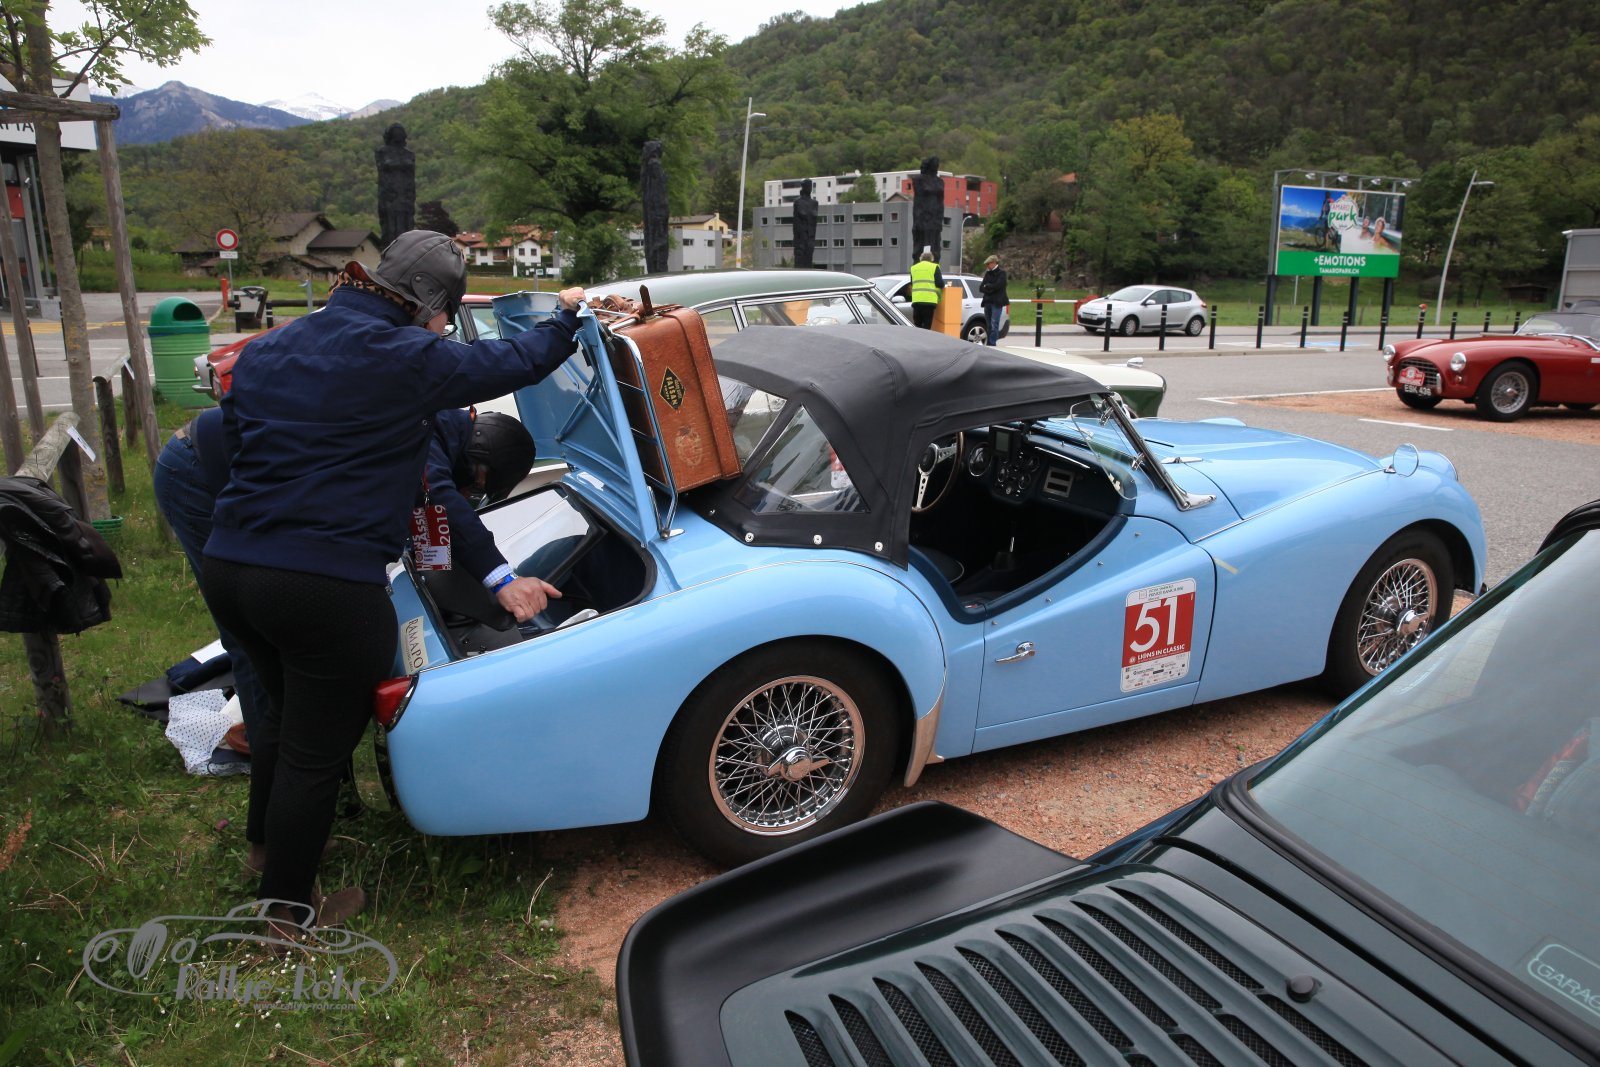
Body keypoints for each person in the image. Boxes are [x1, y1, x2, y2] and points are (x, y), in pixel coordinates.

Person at [201, 230, 586, 926]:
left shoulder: (272, 347)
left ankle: (267, 851)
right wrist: (567, 318)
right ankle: (286, 916)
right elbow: (509, 362)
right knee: (317, 750)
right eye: (446, 315)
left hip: (230, 567)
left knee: (282, 720)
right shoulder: (402, 353)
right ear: (429, 304)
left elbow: (237, 442)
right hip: (323, 583)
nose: (444, 329)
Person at [908, 251, 944, 330]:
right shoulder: (934, 267)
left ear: (920, 258)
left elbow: (912, 282)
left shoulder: (914, 268)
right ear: (932, 259)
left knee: (917, 326)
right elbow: (940, 283)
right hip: (929, 302)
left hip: (917, 301)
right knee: (927, 327)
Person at [979, 254, 1009, 346]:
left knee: (994, 323)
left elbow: (998, 286)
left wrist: (988, 286)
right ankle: (989, 342)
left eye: (988, 264)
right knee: (988, 324)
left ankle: (992, 343)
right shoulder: (988, 273)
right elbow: (981, 288)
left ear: (994, 263)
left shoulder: (1001, 273)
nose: (987, 266)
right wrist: (990, 287)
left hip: (997, 302)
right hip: (987, 301)